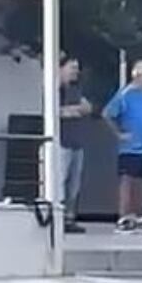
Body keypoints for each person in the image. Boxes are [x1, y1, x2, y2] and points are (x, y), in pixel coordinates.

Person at [103, 60, 142, 233]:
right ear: (138, 75)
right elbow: (108, 114)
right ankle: (124, 217)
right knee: (128, 182)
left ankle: (141, 216)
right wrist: (120, 134)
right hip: (131, 148)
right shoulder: (125, 94)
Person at [58, 55, 92, 234]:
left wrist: (76, 110)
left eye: (76, 68)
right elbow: (55, 112)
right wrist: (72, 110)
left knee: (74, 184)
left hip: (77, 142)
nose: (75, 72)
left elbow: (87, 108)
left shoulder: (76, 89)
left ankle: (70, 217)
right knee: (61, 180)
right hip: (62, 142)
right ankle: (59, 217)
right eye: (72, 68)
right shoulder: (56, 89)